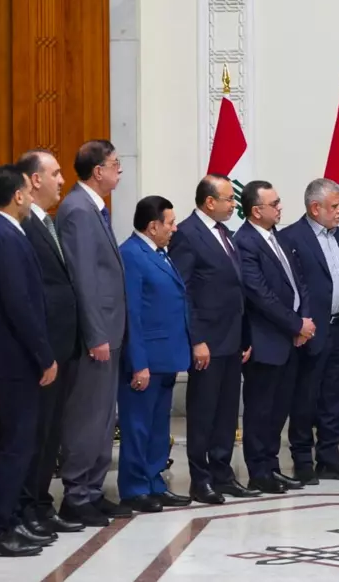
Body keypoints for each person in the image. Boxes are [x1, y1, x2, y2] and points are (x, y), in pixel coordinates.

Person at [0, 165, 58, 557]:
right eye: (28, 189)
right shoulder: (0, 235)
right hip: (11, 357)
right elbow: (18, 304)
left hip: (11, 355)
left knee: (19, 443)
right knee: (16, 447)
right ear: (18, 195)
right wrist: (44, 355)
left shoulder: (3, 231)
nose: (31, 196)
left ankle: (11, 521)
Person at [168, 174, 257, 504]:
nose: (234, 204)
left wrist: (244, 335)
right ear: (209, 202)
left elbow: (235, 287)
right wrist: (197, 339)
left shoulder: (224, 233)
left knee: (226, 412)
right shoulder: (187, 234)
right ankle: (200, 479)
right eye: (228, 198)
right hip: (207, 341)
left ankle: (223, 473)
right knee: (203, 412)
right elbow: (184, 291)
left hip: (231, 338)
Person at [55, 140, 131, 526]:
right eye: (115, 164)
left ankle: (93, 490)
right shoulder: (77, 210)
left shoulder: (94, 208)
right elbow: (82, 277)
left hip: (110, 331)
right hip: (96, 336)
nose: (120, 170)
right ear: (97, 171)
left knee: (103, 417)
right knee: (87, 416)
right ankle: (76, 495)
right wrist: (96, 333)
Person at [15, 150, 85, 535]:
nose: (62, 180)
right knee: (37, 432)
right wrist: (42, 351)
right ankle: (26, 508)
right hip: (43, 349)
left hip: (63, 344)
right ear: (35, 180)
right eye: (56, 173)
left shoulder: (48, 222)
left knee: (52, 431)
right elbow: (29, 294)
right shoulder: (24, 225)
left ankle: (42, 503)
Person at [278, 178, 339, 482]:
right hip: (311, 331)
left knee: (334, 397)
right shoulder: (290, 237)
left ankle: (329, 457)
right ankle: (302, 459)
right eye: (334, 206)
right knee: (305, 397)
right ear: (315, 208)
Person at [235, 180, 313, 494]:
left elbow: (299, 282)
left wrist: (304, 321)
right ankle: (259, 471)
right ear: (256, 211)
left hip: (290, 339)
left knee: (279, 409)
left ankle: (272, 466)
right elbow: (260, 295)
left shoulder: (277, 236)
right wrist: (296, 325)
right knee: (260, 411)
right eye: (275, 203)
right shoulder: (245, 242)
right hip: (265, 340)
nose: (280, 207)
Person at [116, 196, 193, 513]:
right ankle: (134, 489)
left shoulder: (160, 253)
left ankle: (154, 483)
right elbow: (131, 313)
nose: (175, 228)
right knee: (138, 427)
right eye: (170, 223)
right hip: (145, 359)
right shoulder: (131, 254)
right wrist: (139, 363)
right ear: (152, 226)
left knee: (158, 427)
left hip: (166, 356)